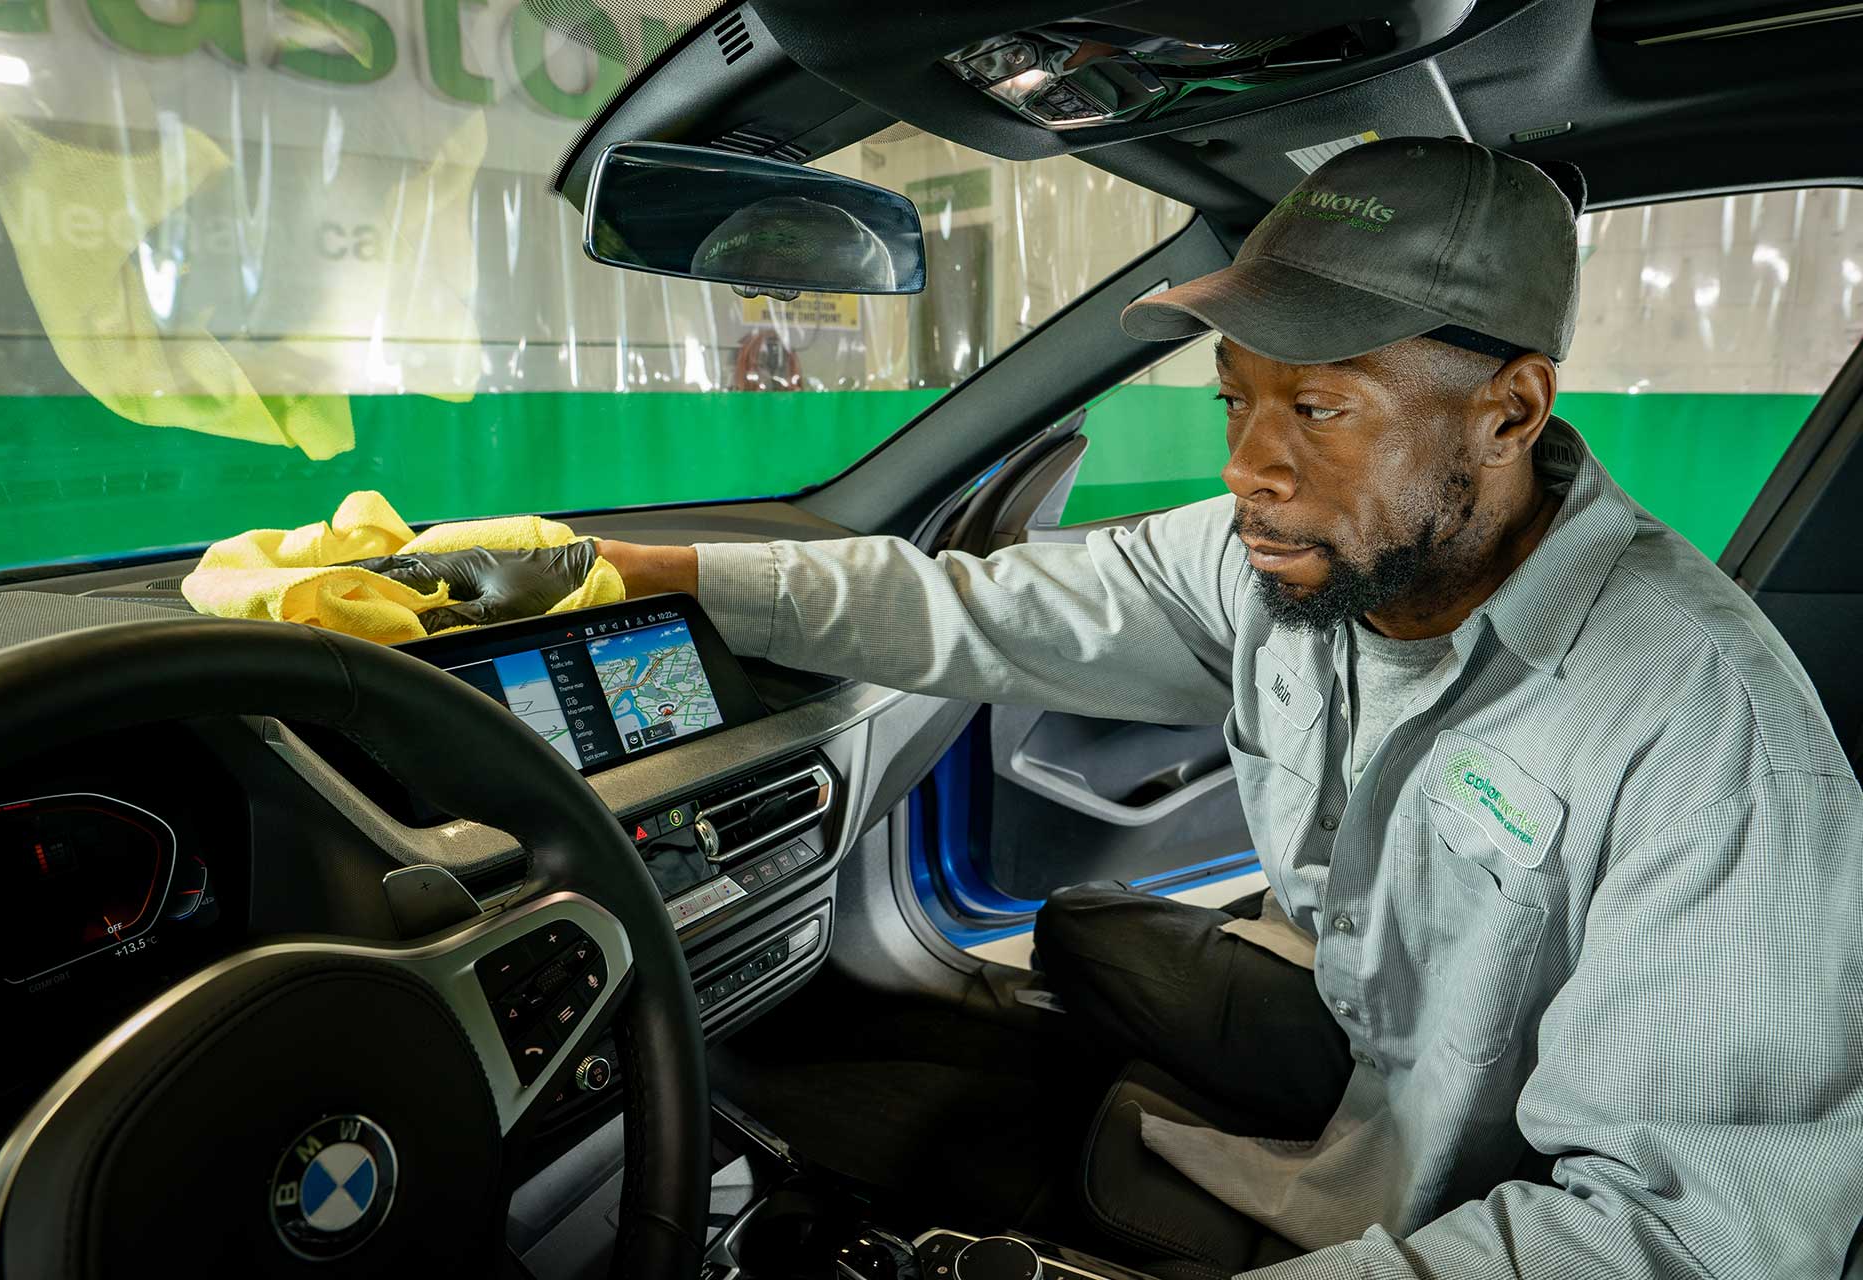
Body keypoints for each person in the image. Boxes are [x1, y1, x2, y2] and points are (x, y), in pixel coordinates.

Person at [379, 138, 1863, 1278]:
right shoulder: (1286, 554)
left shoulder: (1710, 735)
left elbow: (1695, 1232)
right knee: (1083, 932)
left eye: (1321, 410)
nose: (1249, 467)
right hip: (1374, 1051)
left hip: (1487, 1183)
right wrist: (635, 568)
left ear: (1510, 414)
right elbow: (968, 610)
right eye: (1236, 401)